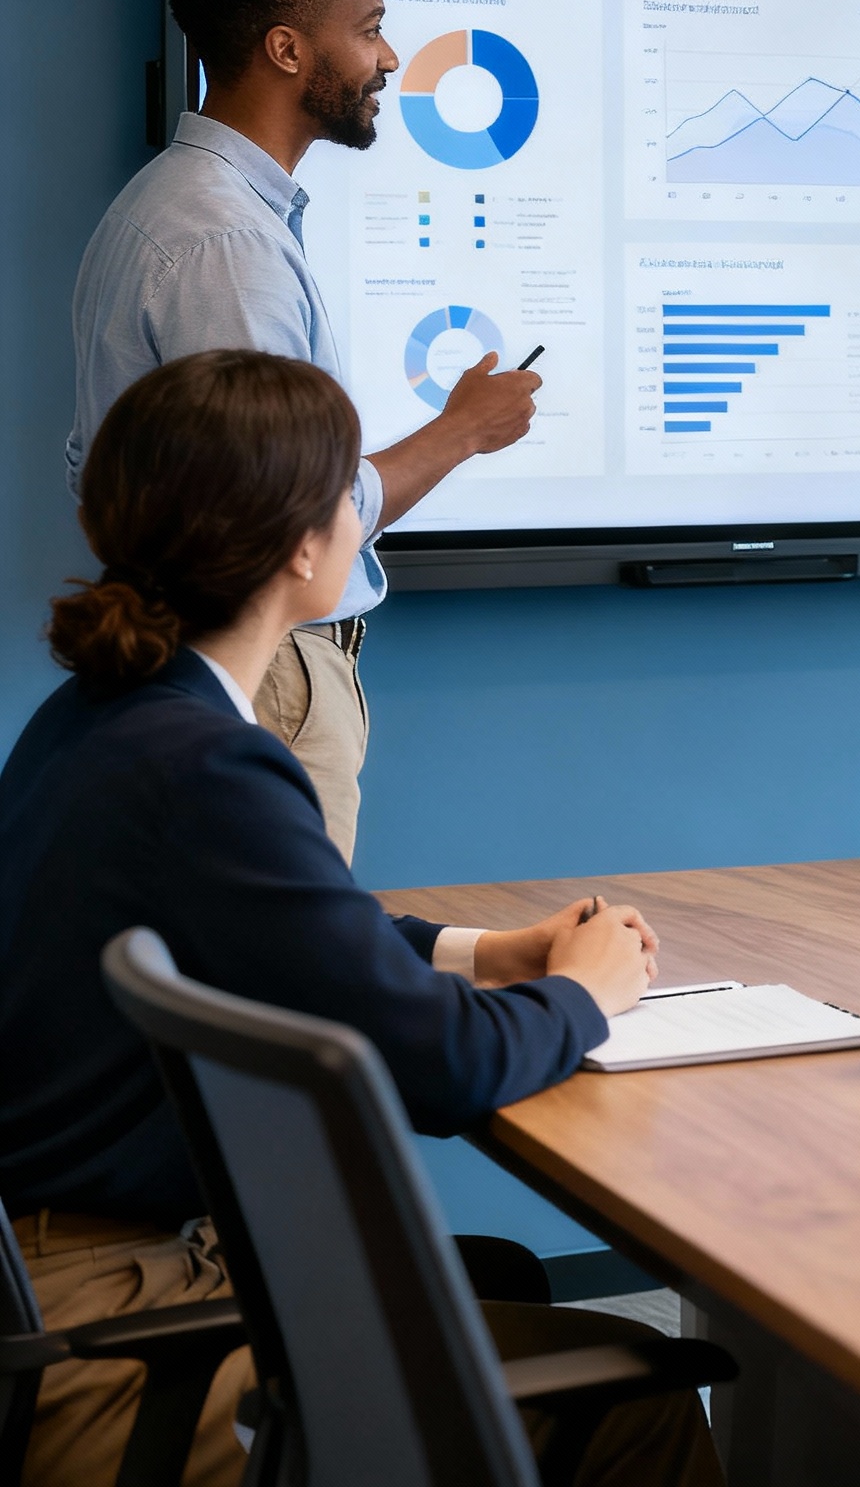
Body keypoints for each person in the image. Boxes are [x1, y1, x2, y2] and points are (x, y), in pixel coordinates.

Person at [0, 350, 716, 1486]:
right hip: (113, 1338)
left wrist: (491, 951)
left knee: (501, 1284)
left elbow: (298, 934)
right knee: (633, 1386)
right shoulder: (208, 764)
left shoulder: (111, 715)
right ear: (300, 547)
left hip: (72, 1272)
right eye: (350, 494)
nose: (359, 518)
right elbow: (437, 1067)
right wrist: (585, 993)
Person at [67, 0, 541, 861]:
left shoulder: (186, 207)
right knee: (276, 987)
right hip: (267, 670)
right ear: (286, 48)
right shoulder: (226, 243)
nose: (392, 56)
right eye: (367, 30)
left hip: (234, 661)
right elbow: (287, 515)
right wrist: (462, 431)